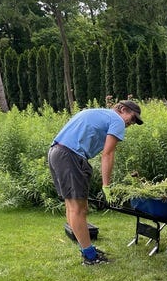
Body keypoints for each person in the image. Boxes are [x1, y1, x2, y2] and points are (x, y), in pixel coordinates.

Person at [48, 100, 144, 265]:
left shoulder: (97, 113)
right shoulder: (117, 120)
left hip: (56, 152)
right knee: (77, 209)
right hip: (69, 156)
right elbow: (107, 153)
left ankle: (87, 250)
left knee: (77, 208)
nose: (131, 123)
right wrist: (106, 185)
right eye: (132, 118)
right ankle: (90, 257)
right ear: (122, 109)